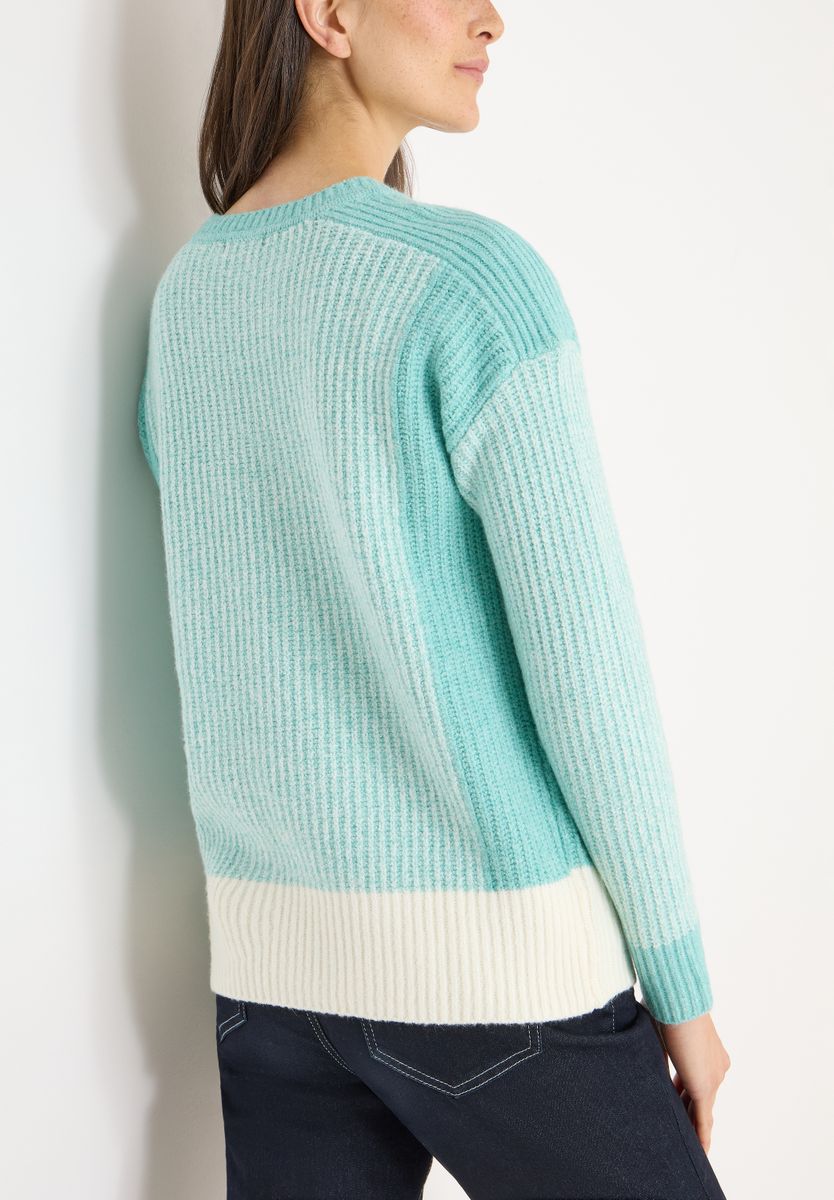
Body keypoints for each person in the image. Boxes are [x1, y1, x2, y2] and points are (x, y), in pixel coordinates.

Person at [136, 1, 731, 1197]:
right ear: (330, 13)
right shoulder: (470, 284)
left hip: (273, 984)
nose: (492, 19)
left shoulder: (189, 297)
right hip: (497, 976)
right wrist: (683, 988)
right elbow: (589, 676)